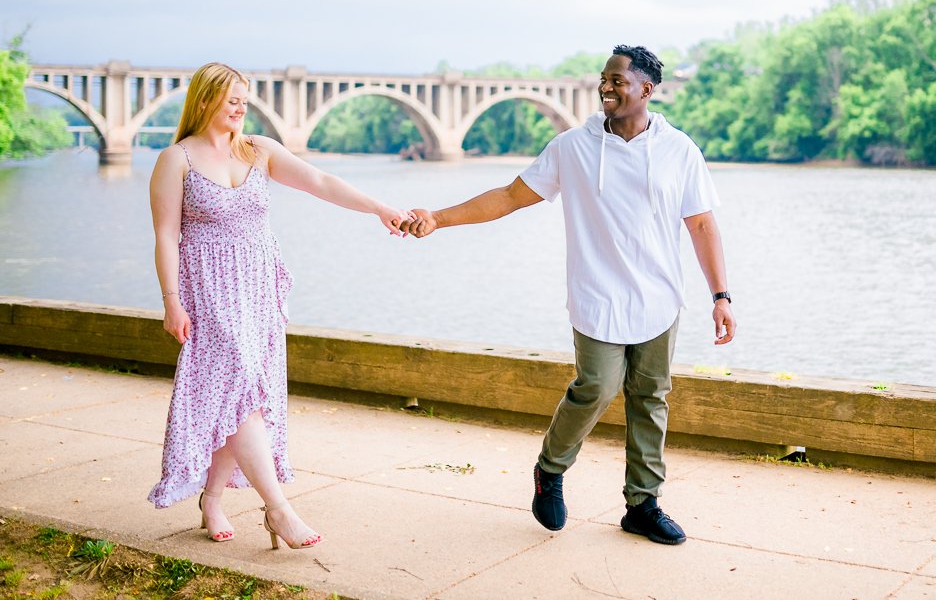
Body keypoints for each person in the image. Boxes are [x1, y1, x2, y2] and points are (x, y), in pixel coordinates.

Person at [406, 45, 735, 546]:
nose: (606, 86)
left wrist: (721, 294)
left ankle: (643, 504)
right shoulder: (572, 147)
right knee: (597, 388)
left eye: (618, 80)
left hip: (660, 298)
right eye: (603, 78)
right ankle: (550, 469)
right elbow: (510, 197)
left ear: (647, 90)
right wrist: (439, 217)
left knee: (651, 399)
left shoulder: (680, 150)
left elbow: (702, 224)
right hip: (596, 295)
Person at [146, 62, 413, 549]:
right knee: (239, 385)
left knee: (245, 393)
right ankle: (279, 510)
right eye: (232, 100)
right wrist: (171, 301)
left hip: (259, 289)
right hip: (208, 293)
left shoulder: (259, 150)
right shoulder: (175, 160)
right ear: (205, 100)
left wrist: (380, 208)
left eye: (245, 99)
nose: (242, 108)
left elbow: (322, 182)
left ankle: (211, 498)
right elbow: (165, 235)